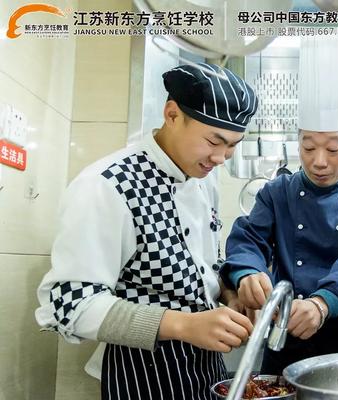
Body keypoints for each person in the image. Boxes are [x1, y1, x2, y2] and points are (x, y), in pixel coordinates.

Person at [35, 63, 258, 400]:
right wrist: (184, 325)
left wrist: (229, 296)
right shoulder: (108, 184)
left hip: (206, 368)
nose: (221, 157)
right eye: (214, 140)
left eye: (232, 146)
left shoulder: (203, 180)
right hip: (142, 371)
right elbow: (69, 305)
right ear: (171, 114)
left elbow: (201, 267)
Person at [220, 36, 338, 375]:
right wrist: (247, 273)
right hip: (284, 341)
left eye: (332, 148)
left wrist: (322, 304)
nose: (319, 161)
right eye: (309, 147)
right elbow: (248, 239)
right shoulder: (277, 192)